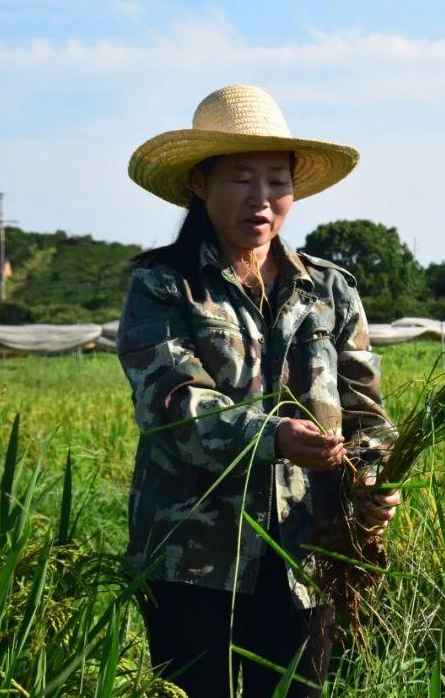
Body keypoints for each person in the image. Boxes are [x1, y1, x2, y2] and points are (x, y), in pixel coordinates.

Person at [119, 84, 402, 697]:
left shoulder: (330, 289)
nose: (262, 198)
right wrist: (274, 437)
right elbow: (170, 403)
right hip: (193, 558)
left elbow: (367, 414)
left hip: (308, 552)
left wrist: (372, 485)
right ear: (200, 183)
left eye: (277, 180)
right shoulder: (165, 284)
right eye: (241, 179)